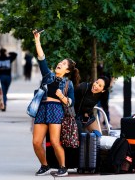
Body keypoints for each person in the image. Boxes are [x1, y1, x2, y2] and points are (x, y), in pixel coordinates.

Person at [32, 30, 81, 177]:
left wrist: (62, 97)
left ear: (67, 70)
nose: (60, 63)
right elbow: (41, 57)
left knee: (54, 141)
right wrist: (37, 40)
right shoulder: (48, 75)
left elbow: (71, 102)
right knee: (36, 142)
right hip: (42, 109)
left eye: (64, 64)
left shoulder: (68, 84)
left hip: (56, 110)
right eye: (60, 62)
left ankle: (63, 167)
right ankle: (45, 165)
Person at [0, 47, 17, 111]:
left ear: (0, 53)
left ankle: (4, 104)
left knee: (2, 92)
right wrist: (8, 53)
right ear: (5, 52)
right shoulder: (8, 59)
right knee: (5, 92)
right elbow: (15, 54)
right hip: (8, 78)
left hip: (0, 77)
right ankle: (4, 104)